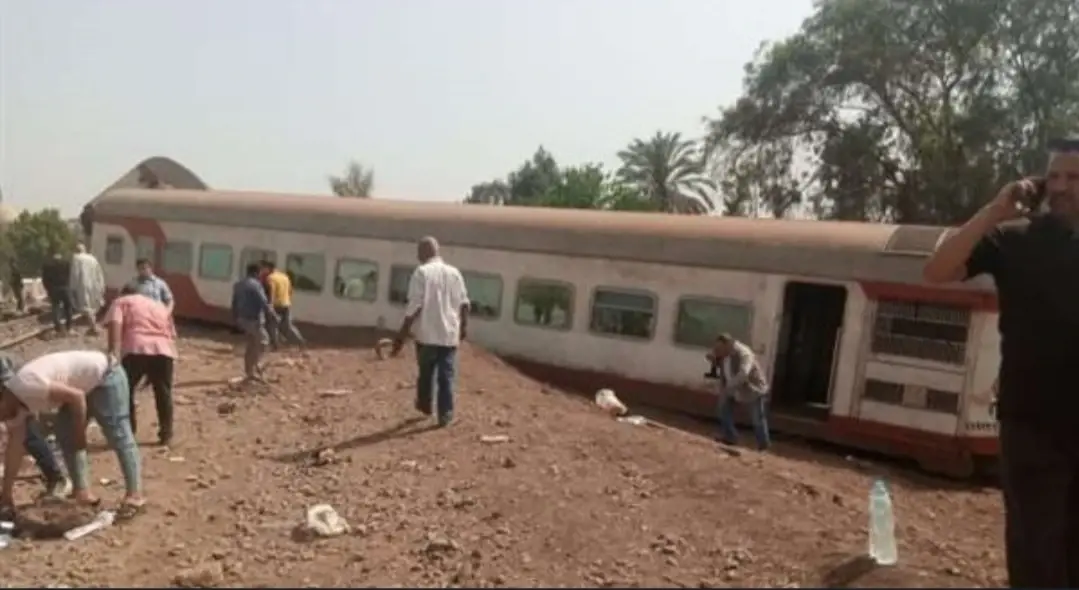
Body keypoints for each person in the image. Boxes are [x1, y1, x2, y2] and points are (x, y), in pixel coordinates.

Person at [923, 141, 1079, 588]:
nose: (1062, 187)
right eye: (1055, 176)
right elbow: (937, 270)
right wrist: (993, 211)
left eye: (1074, 177)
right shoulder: (1015, 240)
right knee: (1036, 552)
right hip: (1032, 424)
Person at [0, 350, 144, 520]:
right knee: (65, 436)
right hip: (78, 387)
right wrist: (6, 494)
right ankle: (82, 493)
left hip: (106, 375)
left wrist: (80, 432)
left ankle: (135, 495)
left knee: (117, 432)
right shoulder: (12, 407)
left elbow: (77, 397)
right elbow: (14, 450)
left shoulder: (28, 385)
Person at [390, 236, 470, 428]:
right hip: (449, 335)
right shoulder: (455, 273)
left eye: (418, 251)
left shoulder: (421, 272)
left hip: (427, 334)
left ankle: (425, 406)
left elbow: (414, 306)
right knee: (446, 376)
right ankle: (446, 414)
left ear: (425, 252)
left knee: (426, 373)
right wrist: (463, 328)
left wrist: (401, 335)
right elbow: (465, 304)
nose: (417, 255)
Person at [104, 285, 178, 446]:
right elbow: (171, 334)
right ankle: (166, 434)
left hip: (136, 348)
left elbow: (115, 326)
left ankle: (129, 431)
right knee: (163, 392)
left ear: (122, 293)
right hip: (164, 350)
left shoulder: (120, 302)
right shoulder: (158, 305)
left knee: (125, 391)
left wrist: (113, 355)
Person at [707, 333, 771, 451]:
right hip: (733, 388)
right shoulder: (724, 354)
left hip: (752, 389)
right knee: (723, 409)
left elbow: (743, 374)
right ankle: (730, 437)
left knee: (757, 418)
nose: (718, 351)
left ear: (728, 344)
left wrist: (729, 386)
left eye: (720, 348)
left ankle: (763, 446)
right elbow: (723, 369)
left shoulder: (744, 353)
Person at [231, 264, 277, 383]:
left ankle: (249, 372)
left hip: (242, 319)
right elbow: (263, 302)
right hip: (254, 319)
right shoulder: (256, 285)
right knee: (263, 341)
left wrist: (235, 318)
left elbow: (234, 303)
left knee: (251, 344)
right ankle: (257, 365)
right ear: (257, 273)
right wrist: (273, 315)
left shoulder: (238, 284)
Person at [261, 261, 306, 352]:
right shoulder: (284, 277)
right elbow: (290, 290)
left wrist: (270, 305)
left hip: (276, 305)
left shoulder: (270, 278)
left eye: (263, 268)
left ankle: (276, 345)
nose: (262, 271)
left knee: (272, 325)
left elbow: (271, 292)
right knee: (288, 326)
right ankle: (300, 342)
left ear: (268, 268)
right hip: (286, 304)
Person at [69, 243, 106, 335]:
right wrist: (101, 286)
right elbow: (99, 273)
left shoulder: (76, 258)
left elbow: (75, 273)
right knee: (91, 306)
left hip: (82, 285)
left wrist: (72, 286)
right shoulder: (93, 259)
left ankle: (93, 328)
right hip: (93, 285)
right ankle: (92, 326)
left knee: (85, 306)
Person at [41, 252, 74, 333]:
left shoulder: (47, 266)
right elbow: (70, 275)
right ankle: (69, 327)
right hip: (65, 288)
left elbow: (44, 280)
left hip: (54, 289)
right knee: (68, 307)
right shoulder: (66, 264)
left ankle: (58, 327)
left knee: (55, 307)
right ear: (60, 257)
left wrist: (48, 290)